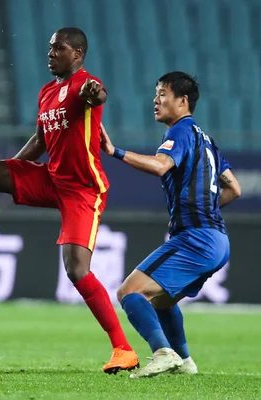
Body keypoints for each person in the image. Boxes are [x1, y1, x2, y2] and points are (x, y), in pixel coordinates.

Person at [0, 27, 140, 374]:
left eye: (58, 48)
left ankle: (123, 349)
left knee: (77, 270)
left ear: (78, 53)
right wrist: (12, 172)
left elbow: (97, 95)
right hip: (52, 178)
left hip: (83, 189)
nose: (50, 53)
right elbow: (39, 141)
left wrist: (97, 94)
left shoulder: (85, 84)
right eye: (49, 48)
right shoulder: (47, 92)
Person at [99, 71, 242, 378]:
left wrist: (115, 152)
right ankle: (185, 361)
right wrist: (202, 208)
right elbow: (234, 188)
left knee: (129, 293)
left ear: (182, 101)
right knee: (162, 301)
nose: (156, 100)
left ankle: (163, 353)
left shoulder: (180, 131)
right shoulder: (206, 140)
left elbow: (161, 166)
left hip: (196, 238)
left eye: (162, 93)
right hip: (217, 239)